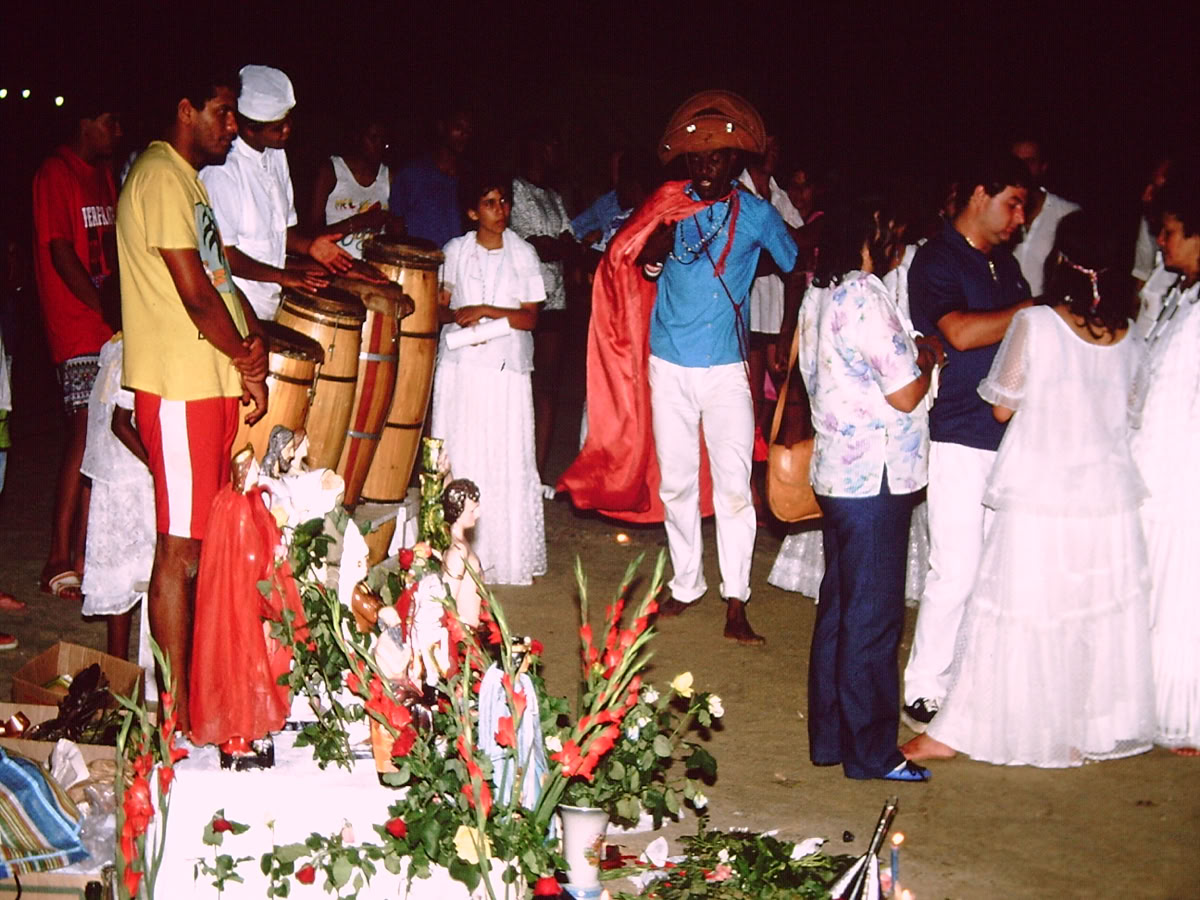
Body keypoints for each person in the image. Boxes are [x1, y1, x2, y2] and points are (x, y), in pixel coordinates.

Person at [903, 212, 1154, 767]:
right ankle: (1070, 723)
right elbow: (1131, 411)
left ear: (1061, 262)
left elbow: (1001, 404)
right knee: (1078, 609)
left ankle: (961, 729)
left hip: (1042, 486)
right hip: (1104, 495)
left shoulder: (1038, 325)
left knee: (1013, 604)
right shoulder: (1129, 336)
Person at [559, 90, 798, 645]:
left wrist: (786, 333)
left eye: (716, 157)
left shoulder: (756, 213)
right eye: (697, 158)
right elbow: (628, 264)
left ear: (735, 160)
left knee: (735, 489)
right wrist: (654, 254)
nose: (705, 167)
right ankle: (687, 583)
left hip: (727, 371)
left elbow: (793, 265)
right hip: (666, 366)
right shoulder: (667, 204)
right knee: (677, 483)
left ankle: (736, 599)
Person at [117, 64, 268, 733]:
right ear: (185, 110)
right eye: (222, 111)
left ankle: (196, 694)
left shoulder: (188, 182)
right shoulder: (157, 176)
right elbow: (193, 292)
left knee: (202, 546)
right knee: (179, 551)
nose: (232, 125)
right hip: (179, 389)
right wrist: (243, 355)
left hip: (207, 384)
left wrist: (250, 356)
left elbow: (221, 282)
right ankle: (173, 713)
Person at [800, 196, 944, 782]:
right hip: (876, 476)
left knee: (840, 609)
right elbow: (905, 392)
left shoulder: (819, 290)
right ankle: (872, 753)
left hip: (838, 471)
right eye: (895, 232)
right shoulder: (864, 293)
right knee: (874, 619)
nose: (899, 246)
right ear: (874, 230)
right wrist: (929, 356)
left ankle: (833, 737)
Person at [900, 154, 1034, 730]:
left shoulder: (1007, 265)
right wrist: (1033, 311)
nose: (1021, 219)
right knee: (955, 567)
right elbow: (956, 331)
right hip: (956, 431)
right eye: (1013, 203)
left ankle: (970, 682)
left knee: (995, 571)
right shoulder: (938, 257)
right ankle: (924, 687)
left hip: (1008, 435)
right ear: (980, 193)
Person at [429, 172, 546, 586]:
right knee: (461, 449)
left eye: (505, 201)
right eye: (491, 203)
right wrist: (459, 315)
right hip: (461, 366)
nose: (501, 210)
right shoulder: (455, 251)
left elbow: (530, 318)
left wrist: (485, 310)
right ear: (472, 211)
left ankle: (503, 554)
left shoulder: (524, 254)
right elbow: (439, 309)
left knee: (503, 453)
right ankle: (451, 552)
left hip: (504, 371)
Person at [31, 96, 123, 601]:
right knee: (83, 435)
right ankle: (57, 556)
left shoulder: (103, 175)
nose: (117, 131)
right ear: (85, 122)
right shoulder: (55, 173)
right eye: (110, 121)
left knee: (103, 440)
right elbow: (61, 251)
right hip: (75, 324)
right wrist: (102, 306)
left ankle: (88, 553)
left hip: (107, 325)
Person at [1130, 171, 1200, 755]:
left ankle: (1186, 711)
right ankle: (1143, 698)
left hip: (1186, 470)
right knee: (1150, 578)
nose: (1161, 243)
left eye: (1172, 232)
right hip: (1154, 460)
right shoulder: (1179, 293)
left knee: (1183, 588)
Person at [199, 65, 353, 322]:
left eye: (288, 121)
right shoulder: (222, 172)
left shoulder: (276, 156)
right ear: (249, 129)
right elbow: (222, 255)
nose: (287, 130)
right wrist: (283, 276)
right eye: (277, 127)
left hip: (270, 303)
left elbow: (280, 232)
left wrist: (309, 247)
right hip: (233, 307)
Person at [79, 293, 153, 660]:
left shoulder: (113, 347)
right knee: (138, 572)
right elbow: (121, 423)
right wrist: (156, 464)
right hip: (131, 477)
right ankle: (128, 667)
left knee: (122, 575)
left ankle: (118, 662)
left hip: (112, 477)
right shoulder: (132, 353)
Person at [509, 125, 577, 482]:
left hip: (555, 299)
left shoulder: (553, 196)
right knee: (517, 381)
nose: (555, 151)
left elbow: (567, 244)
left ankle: (536, 473)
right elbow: (534, 245)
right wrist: (552, 245)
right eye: (549, 143)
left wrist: (554, 245)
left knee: (546, 386)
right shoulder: (515, 190)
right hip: (521, 298)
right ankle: (511, 465)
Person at [308, 111, 402, 260]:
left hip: (374, 265)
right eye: (373, 138)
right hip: (337, 264)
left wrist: (394, 225)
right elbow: (312, 234)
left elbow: (396, 233)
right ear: (357, 138)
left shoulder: (388, 176)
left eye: (383, 140)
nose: (379, 146)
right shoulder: (332, 171)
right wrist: (360, 221)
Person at [390, 109, 472, 249]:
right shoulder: (413, 174)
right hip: (418, 258)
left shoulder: (469, 179)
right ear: (442, 127)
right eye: (458, 127)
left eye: (469, 130)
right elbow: (395, 224)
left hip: (457, 259)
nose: (464, 134)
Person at [1008, 137, 1080, 297]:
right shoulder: (992, 215)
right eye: (1016, 161)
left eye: (1030, 161)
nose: (1022, 168)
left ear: (1043, 167)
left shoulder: (1068, 214)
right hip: (998, 311)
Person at [441, 477, 483, 627]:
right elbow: (448, 600)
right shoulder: (458, 551)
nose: (478, 514)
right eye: (472, 510)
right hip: (464, 631)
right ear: (457, 512)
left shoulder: (462, 544)